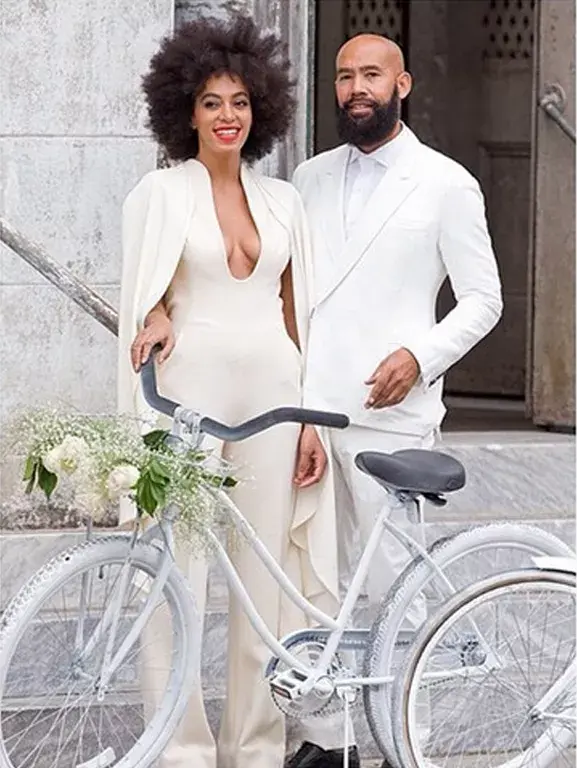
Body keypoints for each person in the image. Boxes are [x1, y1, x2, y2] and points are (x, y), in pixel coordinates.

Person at [117, 15, 340, 768]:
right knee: (178, 569)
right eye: (211, 101)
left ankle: (254, 745)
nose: (226, 116)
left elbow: (296, 312)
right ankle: (178, 748)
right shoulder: (161, 192)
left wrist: (312, 421)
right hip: (191, 392)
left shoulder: (281, 201)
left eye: (239, 101)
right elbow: (144, 288)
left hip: (276, 391)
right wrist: (153, 311)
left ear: (261, 109)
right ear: (185, 110)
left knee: (263, 580)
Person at [288, 33, 503, 768]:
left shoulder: (446, 183)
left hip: (395, 417)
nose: (356, 87)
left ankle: (408, 741)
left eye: (371, 74)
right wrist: (298, 403)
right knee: (318, 584)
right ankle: (328, 739)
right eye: (345, 75)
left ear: (402, 83)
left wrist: (420, 357)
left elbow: (483, 300)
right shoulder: (308, 178)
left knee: (394, 587)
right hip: (313, 413)